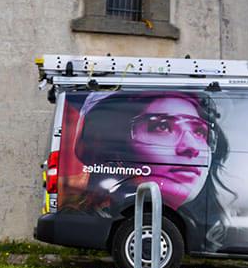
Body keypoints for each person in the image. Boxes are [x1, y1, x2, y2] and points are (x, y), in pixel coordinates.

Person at [72, 90, 233, 250]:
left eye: (199, 131)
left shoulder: (216, 229)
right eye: (162, 126)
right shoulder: (86, 214)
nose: (191, 146)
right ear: (116, 147)